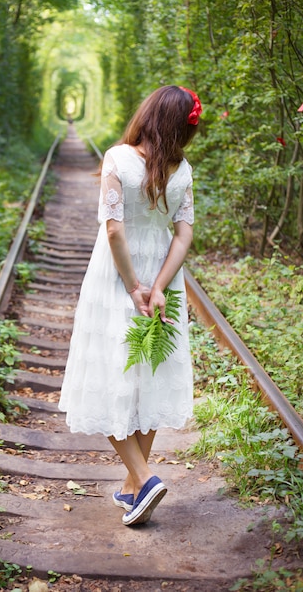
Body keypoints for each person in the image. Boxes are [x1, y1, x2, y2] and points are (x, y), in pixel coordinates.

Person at [58, 85, 202, 526]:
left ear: (148, 115)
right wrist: (159, 286)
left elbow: (115, 231)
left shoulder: (118, 159)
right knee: (149, 371)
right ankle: (131, 487)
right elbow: (183, 234)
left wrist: (135, 286)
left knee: (106, 370)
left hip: (116, 276)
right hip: (162, 274)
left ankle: (141, 476)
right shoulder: (183, 170)